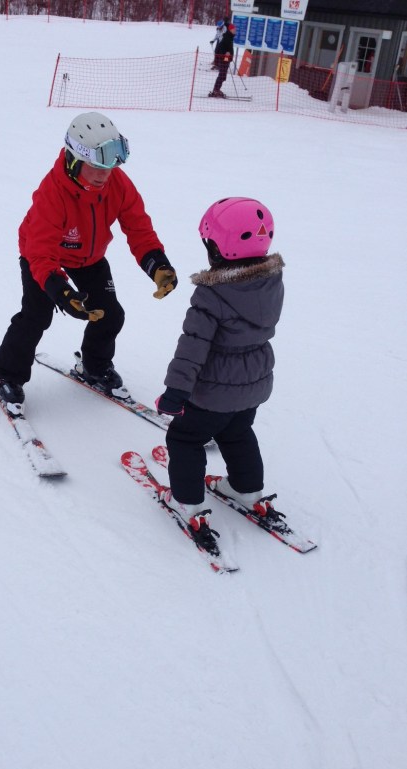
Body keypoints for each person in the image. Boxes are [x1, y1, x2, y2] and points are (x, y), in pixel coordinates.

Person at [0, 112, 177, 405]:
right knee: (37, 315)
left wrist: (157, 264)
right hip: (42, 257)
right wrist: (60, 290)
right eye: (96, 165)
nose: (105, 173)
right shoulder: (53, 193)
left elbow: (138, 228)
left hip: (89, 258)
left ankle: (94, 367)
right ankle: (8, 375)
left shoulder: (117, 183)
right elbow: (40, 251)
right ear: (75, 159)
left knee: (111, 315)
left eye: (111, 164)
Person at [155, 197, 285, 553]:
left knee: (185, 438)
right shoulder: (271, 280)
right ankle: (247, 490)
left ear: (217, 248)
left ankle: (187, 503)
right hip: (255, 382)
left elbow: (193, 346)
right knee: (237, 431)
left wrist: (176, 390)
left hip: (214, 389)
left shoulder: (212, 295)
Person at [210, 23, 236, 98]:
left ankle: (217, 89)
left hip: (226, 59)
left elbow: (228, 48)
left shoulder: (230, 37)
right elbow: (220, 48)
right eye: (234, 29)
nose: (235, 30)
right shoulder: (227, 37)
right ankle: (216, 90)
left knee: (223, 75)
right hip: (223, 59)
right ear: (230, 30)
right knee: (222, 75)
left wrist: (228, 56)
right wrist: (225, 53)